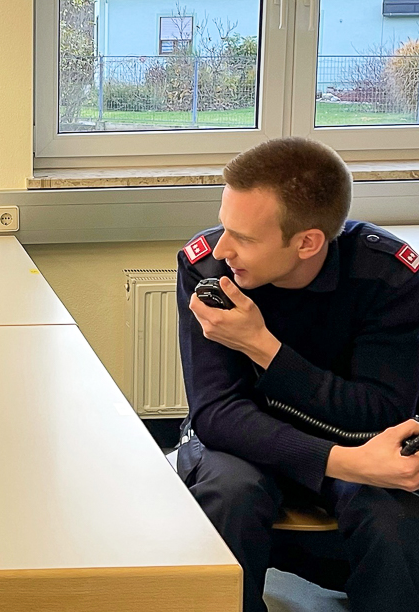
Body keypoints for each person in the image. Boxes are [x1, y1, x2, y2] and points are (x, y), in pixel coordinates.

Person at [175, 136, 419, 612]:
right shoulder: (207, 268)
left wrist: (262, 347)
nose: (223, 248)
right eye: (224, 226)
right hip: (245, 440)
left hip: (358, 438)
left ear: (307, 242)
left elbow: (380, 413)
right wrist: (342, 463)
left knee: (393, 517)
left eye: (244, 238)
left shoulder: (388, 276)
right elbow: (218, 413)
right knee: (230, 493)